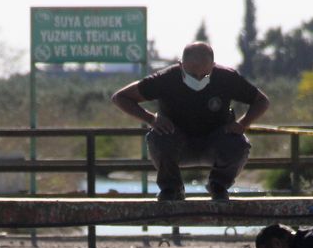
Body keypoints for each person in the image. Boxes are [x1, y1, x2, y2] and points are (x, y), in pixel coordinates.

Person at [111, 42, 270, 201]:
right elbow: (120, 97)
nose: (198, 79)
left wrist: (243, 124)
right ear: (181, 65)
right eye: (193, 75)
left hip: (215, 142)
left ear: (213, 66)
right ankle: (172, 188)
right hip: (177, 142)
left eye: (204, 75)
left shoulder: (227, 78)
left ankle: (218, 185)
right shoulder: (165, 78)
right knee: (158, 138)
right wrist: (151, 119)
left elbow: (261, 101)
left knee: (239, 144)